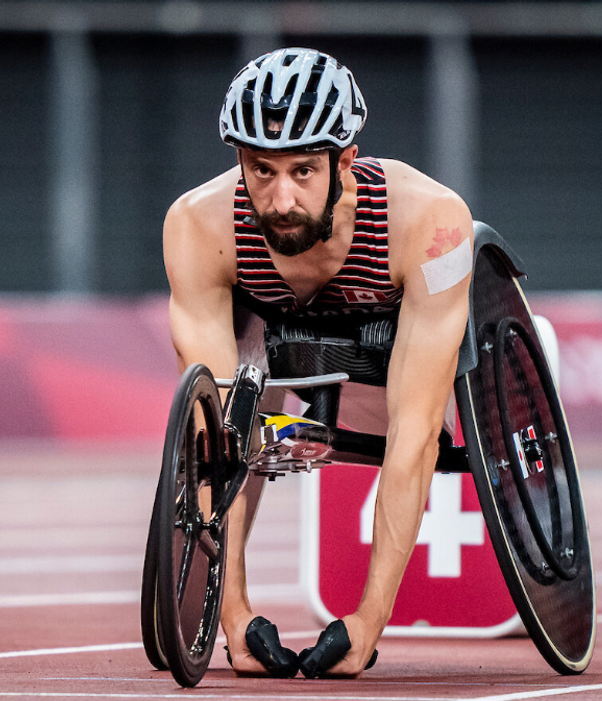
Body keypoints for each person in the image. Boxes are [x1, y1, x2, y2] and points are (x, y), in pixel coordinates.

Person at [163, 48, 474, 678]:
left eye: (304, 171)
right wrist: (233, 616)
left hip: (387, 324)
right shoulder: (199, 226)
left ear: (345, 161)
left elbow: (412, 437)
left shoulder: (432, 225)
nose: (280, 199)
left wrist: (366, 623)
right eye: (261, 170)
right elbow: (212, 434)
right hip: (265, 324)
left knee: (413, 427)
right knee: (228, 416)